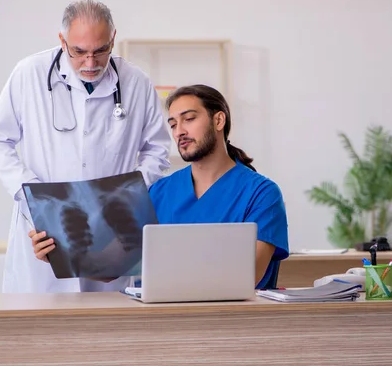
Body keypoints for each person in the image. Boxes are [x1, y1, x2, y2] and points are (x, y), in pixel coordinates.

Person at [0, 0, 171, 294]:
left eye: (101, 50)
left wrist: (127, 198)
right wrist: (32, 194)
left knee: (105, 332)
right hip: (43, 225)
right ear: (62, 40)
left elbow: (157, 149)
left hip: (112, 230)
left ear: (113, 39)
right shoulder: (28, 73)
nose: (90, 63)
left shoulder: (136, 82)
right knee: (39, 330)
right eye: (79, 52)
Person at [31, 84, 289, 289]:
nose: (179, 131)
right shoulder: (159, 191)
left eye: (189, 119)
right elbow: (115, 267)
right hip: (159, 325)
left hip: (230, 327)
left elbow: (249, 276)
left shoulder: (261, 194)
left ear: (218, 120)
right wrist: (59, 252)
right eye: (174, 124)